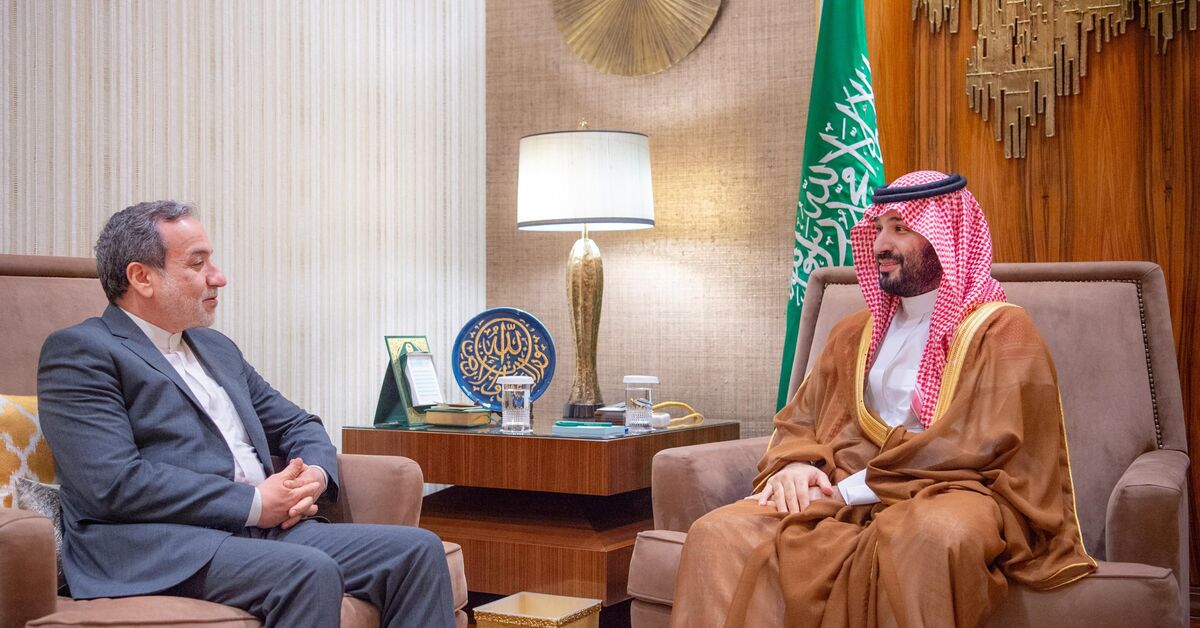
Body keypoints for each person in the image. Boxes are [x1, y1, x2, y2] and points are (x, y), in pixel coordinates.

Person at [669, 171, 1095, 628]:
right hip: (839, 485)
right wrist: (797, 464)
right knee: (717, 532)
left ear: (945, 236)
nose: (881, 245)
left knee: (932, 538)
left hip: (951, 489)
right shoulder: (855, 332)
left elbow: (980, 446)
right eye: (877, 229)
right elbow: (803, 418)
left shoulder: (1002, 331)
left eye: (900, 228)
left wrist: (856, 487)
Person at [37, 201, 455, 628]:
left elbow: (297, 423)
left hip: (261, 532)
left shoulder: (215, 347)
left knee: (417, 551)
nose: (218, 276)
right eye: (197, 263)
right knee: (307, 570)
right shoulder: (82, 351)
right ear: (142, 277)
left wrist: (314, 475)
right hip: (159, 547)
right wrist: (254, 503)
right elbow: (112, 483)